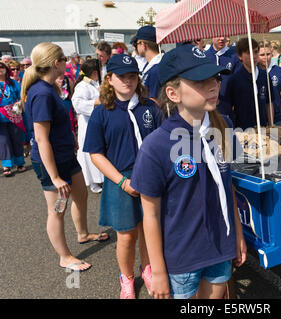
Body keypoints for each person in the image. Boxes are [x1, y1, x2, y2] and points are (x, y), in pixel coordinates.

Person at [130, 44, 247, 299]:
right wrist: (157, 270)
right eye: (200, 81)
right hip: (181, 256)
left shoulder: (224, 126)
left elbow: (228, 188)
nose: (214, 85)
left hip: (220, 246)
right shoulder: (156, 146)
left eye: (215, 78)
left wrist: (237, 235)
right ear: (173, 93)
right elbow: (149, 214)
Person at [22, 42, 109, 272]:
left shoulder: (50, 87)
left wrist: (71, 138)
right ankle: (65, 257)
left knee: (81, 194)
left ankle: (82, 233)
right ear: (55, 63)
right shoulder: (41, 93)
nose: (67, 62)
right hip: (52, 164)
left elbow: (59, 122)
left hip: (66, 156)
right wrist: (55, 177)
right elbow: (41, 139)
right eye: (64, 59)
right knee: (57, 210)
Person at [83, 54, 164, 299]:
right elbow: (95, 154)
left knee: (151, 230)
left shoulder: (151, 106)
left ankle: (147, 268)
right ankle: (126, 277)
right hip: (121, 178)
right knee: (127, 235)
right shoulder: (102, 112)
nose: (127, 81)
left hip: (151, 176)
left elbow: (163, 142)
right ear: (109, 79)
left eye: (132, 76)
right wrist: (121, 181)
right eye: (121, 76)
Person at [221, 38, 272, 129]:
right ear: (240, 56)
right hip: (242, 130)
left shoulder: (265, 76)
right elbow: (227, 108)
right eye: (249, 53)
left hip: (263, 128)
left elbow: (269, 102)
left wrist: (271, 125)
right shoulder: (234, 80)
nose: (253, 56)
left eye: (256, 52)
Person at [71, 59, 104, 193]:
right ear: (95, 72)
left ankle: (101, 178)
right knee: (90, 151)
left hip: (98, 121)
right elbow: (77, 103)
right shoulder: (82, 86)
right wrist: (95, 103)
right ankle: (93, 181)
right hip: (88, 123)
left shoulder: (95, 83)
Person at [258, 42, 281, 127]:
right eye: (262, 55)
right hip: (257, 120)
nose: (265, 57)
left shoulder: (280, 71)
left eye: (268, 54)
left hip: (276, 119)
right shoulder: (253, 72)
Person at [0, 61, 25, 177]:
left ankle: (20, 163)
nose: (0, 69)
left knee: (16, 139)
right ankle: (7, 165)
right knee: (3, 142)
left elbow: (21, 96)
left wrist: (18, 106)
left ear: (6, 69)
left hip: (14, 113)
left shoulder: (13, 83)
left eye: (2, 67)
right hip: (1, 117)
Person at [205, 37, 240, 115]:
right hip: (209, 109)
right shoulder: (205, 57)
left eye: (224, 35)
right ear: (212, 36)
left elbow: (238, 83)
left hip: (230, 108)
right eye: (218, 35)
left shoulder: (234, 56)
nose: (222, 38)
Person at [135, 25, 163, 100]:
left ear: (143, 45)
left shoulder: (156, 69)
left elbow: (154, 100)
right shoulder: (150, 65)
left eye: (137, 43)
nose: (135, 47)